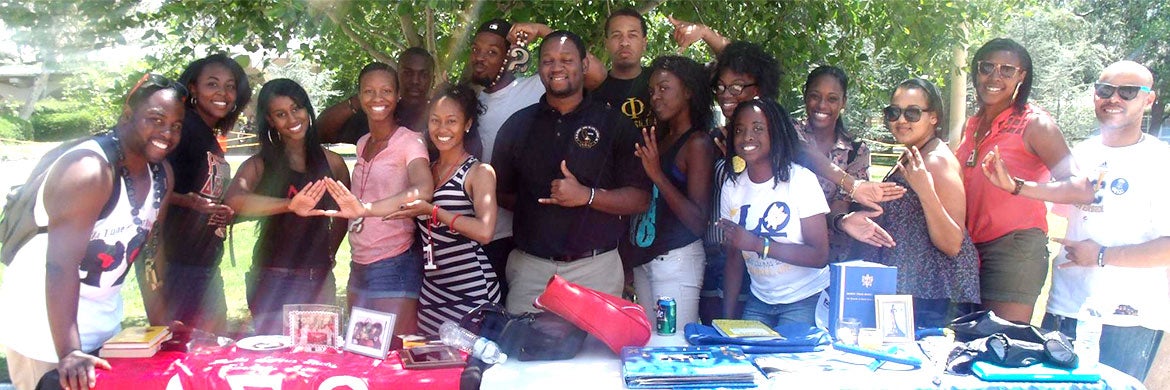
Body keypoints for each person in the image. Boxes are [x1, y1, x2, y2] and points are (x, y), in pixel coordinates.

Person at [0, 74, 185, 390]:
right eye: (155, 120)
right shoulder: (89, 169)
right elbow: (60, 265)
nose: (166, 132)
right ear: (127, 115)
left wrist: (161, 324)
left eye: (176, 125)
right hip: (45, 332)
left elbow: (149, 252)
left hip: (103, 326)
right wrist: (69, 351)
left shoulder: (161, 174)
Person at [983, 61, 1165, 381]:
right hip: (1066, 307)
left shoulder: (1160, 161)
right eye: (1105, 91)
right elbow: (1061, 200)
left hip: (1126, 319)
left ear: (1149, 99)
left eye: (1128, 92)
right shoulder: (1080, 153)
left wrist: (1101, 256)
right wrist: (1013, 186)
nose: (1114, 99)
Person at [492, 30, 651, 314]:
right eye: (548, 61)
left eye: (566, 59)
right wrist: (538, 207)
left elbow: (640, 199)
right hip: (531, 271)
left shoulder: (614, 123)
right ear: (539, 67)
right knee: (523, 353)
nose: (557, 68)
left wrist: (586, 197)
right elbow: (501, 193)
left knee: (596, 358)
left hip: (596, 269)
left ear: (585, 65)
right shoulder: (517, 126)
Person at [327, 83, 501, 335]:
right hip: (431, 290)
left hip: (471, 289)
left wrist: (433, 211)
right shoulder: (425, 171)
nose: (442, 129)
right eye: (435, 120)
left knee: (466, 367)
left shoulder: (479, 172)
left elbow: (485, 232)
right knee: (426, 360)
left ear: (467, 124)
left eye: (451, 121)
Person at [955, 38, 1091, 323]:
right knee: (967, 342)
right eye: (987, 67)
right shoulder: (973, 124)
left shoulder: (1035, 124)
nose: (994, 76)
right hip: (968, 247)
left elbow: (1080, 188)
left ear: (1021, 76)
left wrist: (1017, 186)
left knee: (1000, 344)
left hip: (1013, 250)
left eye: (1007, 70)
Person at [840, 78, 980, 328]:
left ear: (933, 117)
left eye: (913, 113)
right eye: (894, 112)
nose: (901, 120)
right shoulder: (915, 154)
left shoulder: (936, 161)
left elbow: (952, 243)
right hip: (913, 290)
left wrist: (925, 190)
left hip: (934, 297)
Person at [223, 79, 351, 335]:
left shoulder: (333, 163)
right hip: (272, 277)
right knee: (275, 359)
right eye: (281, 114)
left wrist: (329, 253)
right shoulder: (259, 165)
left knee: (318, 356)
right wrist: (289, 205)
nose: (292, 118)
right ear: (270, 120)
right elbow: (233, 200)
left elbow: (343, 215)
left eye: (297, 108)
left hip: (318, 277)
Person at [337, 62, 433, 336]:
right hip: (358, 263)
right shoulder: (362, 142)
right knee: (361, 351)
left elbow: (424, 189)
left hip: (394, 262)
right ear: (359, 96)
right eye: (369, 91)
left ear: (398, 95)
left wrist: (366, 209)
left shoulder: (410, 141)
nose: (377, 98)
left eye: (386, 91)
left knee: (392, 352)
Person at [620, 56, 716, 327]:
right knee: (651, 346)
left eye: (664, 88)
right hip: (646, 258)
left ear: (688, 91)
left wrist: (657, 175)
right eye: (652, 91)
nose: (655, 97)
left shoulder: (697, 142)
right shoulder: (660, 138)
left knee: (673, 348)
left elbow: (698, 221)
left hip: (677, 259)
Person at [158, 54, 251, 334]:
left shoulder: (207, 134)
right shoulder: (183, 128)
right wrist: (189, 202)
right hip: (178, 265)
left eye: (230, 86)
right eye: (212, 84)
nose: (223, 93)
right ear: (193, 88)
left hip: (203, 264)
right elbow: (153, 184)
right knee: (196, 353)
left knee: (210, 346)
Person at [716, 98, 829, 327]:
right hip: (760, 300)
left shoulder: (800, 180)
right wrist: (727, 321)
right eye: (740, 130)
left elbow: (819, 256)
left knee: (786, 363)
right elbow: (734, 257)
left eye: (758, 129)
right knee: (748, 358)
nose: (747, 136)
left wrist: (759, 245)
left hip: (805, 297)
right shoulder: (732, 186)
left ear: (775, 133)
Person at [468, 19, 546, 305]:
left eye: (491, 52)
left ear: (509, 56)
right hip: (468, 230)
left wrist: (541, 31)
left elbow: (585, 66)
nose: (480, 57)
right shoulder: (467, 98)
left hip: (512, 233)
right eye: (476, 50)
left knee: (507, 320)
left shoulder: (532, 90)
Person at [798, 66, 871, 263]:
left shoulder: (856, 150)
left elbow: (841, 202)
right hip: (786, 252)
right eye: (815, 96)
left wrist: (842, 221)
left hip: (833, 256)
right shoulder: (790, 132)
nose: (822, 105)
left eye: (832, 99)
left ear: (843, 102)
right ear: (805, 95)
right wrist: (850, 183)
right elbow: (803, 151)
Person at [318, 47, 436, 142]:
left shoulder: (443, 118)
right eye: (408, 73)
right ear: (397, 76)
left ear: (433, 80)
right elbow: (320, 133)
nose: (415, 81)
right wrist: (360, 100)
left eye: (424, 75)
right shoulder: (379, 115)